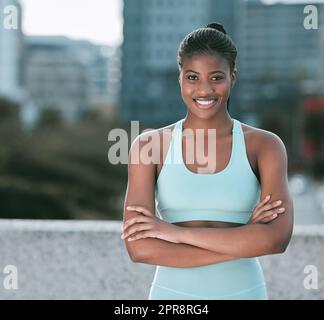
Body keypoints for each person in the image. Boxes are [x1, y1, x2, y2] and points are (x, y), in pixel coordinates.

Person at [121, 22, 294, 300]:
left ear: (232, 78)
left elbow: (275, 240)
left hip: (245, 293)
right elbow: (140, 248)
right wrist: (245, 237)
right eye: (192, 77)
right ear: (180, 79)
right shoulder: (148, 146)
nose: (204, 89)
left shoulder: (265, 146)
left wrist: (174, 233)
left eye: (216, 77)